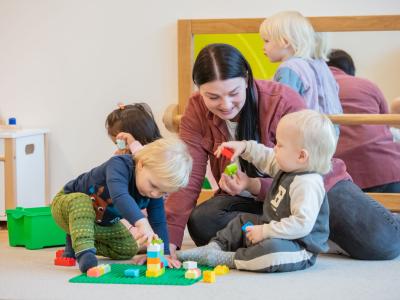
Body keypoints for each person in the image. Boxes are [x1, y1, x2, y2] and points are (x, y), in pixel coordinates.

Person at [165, 43, 400, 262]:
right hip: (265, 205)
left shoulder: (281, 100)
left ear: (246, 79)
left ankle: (303, 234)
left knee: (384, 244)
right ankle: (297, 236)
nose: (225, 104)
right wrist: (169, 242)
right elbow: (188, 175)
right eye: (213, 97)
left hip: (313, 188)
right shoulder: (196, 109)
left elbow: (307, 168)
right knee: (203, 221)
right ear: (199, 90)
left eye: (233, 93)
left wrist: (252, 185)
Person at [177, 110, 337, 272]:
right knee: (242, 220)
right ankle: (214, 247)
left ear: (301, 156)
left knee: (272, 251)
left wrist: (265, 231)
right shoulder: (290, 166)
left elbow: (301, 225)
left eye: (280, 145)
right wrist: (244, 147)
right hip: (273, 227)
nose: (274, 148)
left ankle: (228, 259)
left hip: (299, 246)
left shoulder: (307, 183)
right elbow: (265, 156)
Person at [51, 137, 192, 272]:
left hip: (99, 224)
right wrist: (142, 223)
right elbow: (120, 196)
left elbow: (159, 221)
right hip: (66, 206)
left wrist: (163, 253)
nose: (155, 194)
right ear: (142, 164)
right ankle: (84, 252)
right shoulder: (118, 165)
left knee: (128, 248)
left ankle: (77, 240)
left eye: (162, 192)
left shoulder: (153, 192)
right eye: (153, 185)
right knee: (81, 201)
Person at [327, 49, 400, 192]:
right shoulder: (367, 85)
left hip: (340, 178)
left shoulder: (315, 88)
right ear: (351, 70)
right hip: (387, 168)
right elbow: (385, 123)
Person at [259, 11, 342, 117]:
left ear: (285, 42)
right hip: (330, 128)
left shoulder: (289, 68)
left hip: (303, 129)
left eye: (266, 41)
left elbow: (282, 106)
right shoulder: (319, 64)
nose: (263, 47)